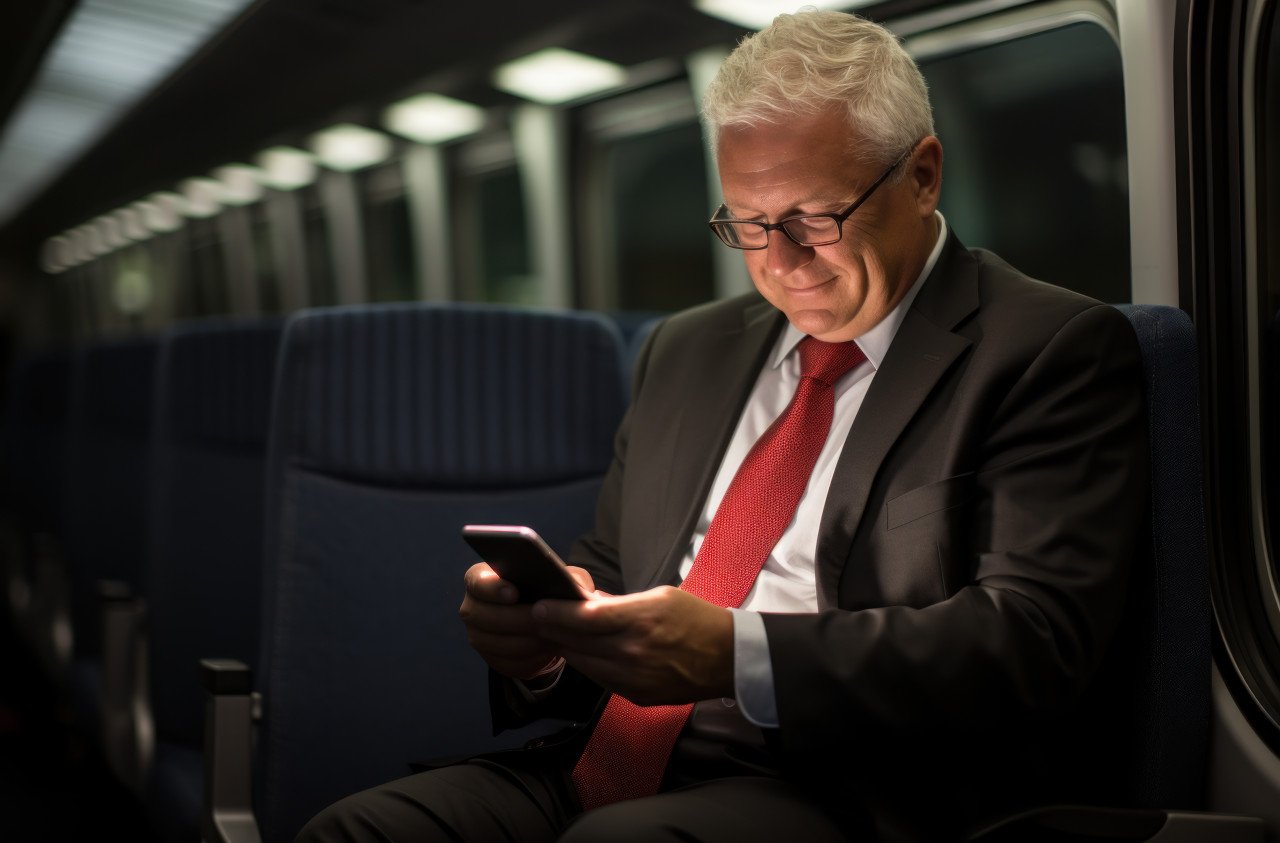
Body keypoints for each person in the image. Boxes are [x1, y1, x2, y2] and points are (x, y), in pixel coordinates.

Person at [298, 9, 1146, 842]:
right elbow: (616, 568)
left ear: (922, 175)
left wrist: (738, 654)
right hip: (612, 757)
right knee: (361, 827)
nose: (779, 260)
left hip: (850, 785)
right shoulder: (686, 347)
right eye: (745, 222)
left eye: (815, 217)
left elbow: (1033, 643)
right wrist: (550, 638)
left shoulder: (1044, 349)